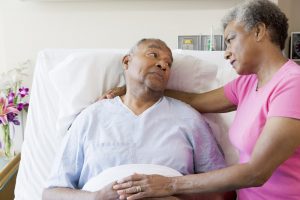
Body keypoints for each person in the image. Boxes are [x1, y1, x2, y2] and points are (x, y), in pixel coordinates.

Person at [105, 1, 300, 200]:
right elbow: (194, 100)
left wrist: (170, 184)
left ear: (258, 31)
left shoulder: (293, 84)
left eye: (231, 39)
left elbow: (256, 172)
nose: (226, 53)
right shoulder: (247, 84)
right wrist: (133, 89)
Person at [42, 38, 228, 200]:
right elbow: (51, 194)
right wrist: (96, 197)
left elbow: (224, 191)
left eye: (168, 64)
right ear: (126, 61)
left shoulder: (189, 118)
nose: (163, 65)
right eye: (153, 55)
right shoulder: (91, 117)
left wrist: (174, 194)